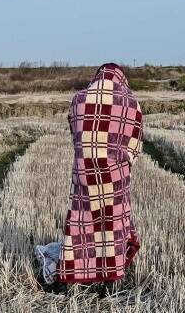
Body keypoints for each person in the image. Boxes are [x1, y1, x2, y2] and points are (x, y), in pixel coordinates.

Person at [54, 63, 143, 287]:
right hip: (116, 177)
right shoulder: (131, 102)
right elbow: (135, 147)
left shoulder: (78, 99)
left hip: (84, 174)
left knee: (81, 225)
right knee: (114, 225)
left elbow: (75, 135)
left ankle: (77, 275)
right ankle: (110, 277)